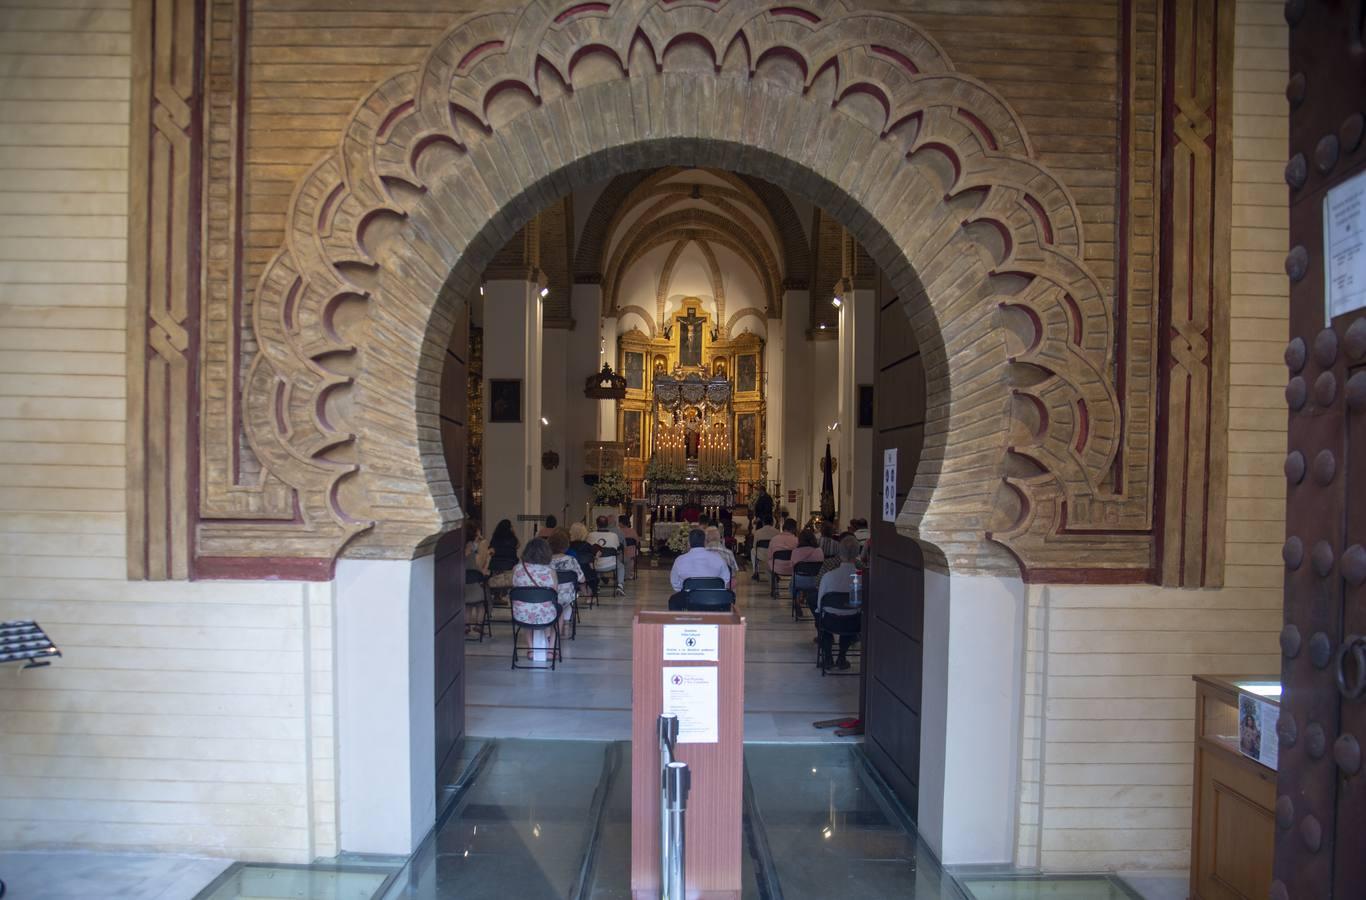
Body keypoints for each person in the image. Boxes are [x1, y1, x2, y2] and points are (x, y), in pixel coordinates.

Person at [815, 536, 862, 669]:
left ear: (839, 553)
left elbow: (820, 605)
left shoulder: (829, 576)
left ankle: (828, 656)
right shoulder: (861, 577)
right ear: (857, 553)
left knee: (822, 619)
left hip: (830, 621)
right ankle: (842, 656)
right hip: (854, 623)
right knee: (851, 615)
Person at [511, 538, 560, 660]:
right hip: (546, 616)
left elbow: (515, 588)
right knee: (559, 611)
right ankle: (550, 650)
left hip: (521, 615)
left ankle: (531, 649)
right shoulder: (550, 571)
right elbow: (555, 594)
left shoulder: (517, 569)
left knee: (525, 607)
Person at [669, 528, 733, 607]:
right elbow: (725, 580)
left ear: (689, 543)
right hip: (714, 600)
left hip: (689, 601)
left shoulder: (679, 560)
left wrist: (686, 591)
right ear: (705, 542)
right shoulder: (718, 558)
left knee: (673, 600)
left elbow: (675, 583)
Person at [547, 529, 585, 637]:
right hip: (566, 595)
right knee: (567, 598)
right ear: (566, 545)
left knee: (559, 597)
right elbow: (582, 579)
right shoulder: (571, 560)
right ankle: (566, 625)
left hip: (547, 595)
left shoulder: (545, 560)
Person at [588, 515, 626, 595]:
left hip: (595, 565)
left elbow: (588, 550)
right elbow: (617, 549)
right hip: (611, 564)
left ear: (597, 524)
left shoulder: (590, 535)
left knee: (595, 559)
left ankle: (596, 584)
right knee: (621, 566)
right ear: (607, 524)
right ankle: (620, 586)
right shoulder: (613, 535)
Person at [767, 518, 799, 595]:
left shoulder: (774, 539)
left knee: (768, 564)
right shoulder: (797, 540)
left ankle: (775, 587)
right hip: (792, 569)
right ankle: (792, 587)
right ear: (794, 529)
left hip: (776, 567)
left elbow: (769, 556)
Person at [487, 518, 520, 590]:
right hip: (510, 564)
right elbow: (518, 545)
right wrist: (514, 533)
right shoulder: (512, 538)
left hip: (495, 564)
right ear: (509, 528)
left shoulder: (495, 537)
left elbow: (490, 549)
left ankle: (496, 594)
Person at [751, 516, 780, 581]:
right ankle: (776, 572)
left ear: (763, 523)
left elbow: (754, 545)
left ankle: (756, 572)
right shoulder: (777, 532)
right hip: (773, 555)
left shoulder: (758, 532)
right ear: (772, 523)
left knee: (752, 551)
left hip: (761, 555)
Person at [618, 514, 640, 580]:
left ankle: (620, 574)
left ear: (621, 523)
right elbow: (637, 542)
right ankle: (629, 573)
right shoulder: (632, 531)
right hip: (631, 553)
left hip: (621, 553)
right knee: (631, 559)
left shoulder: (618, 531)